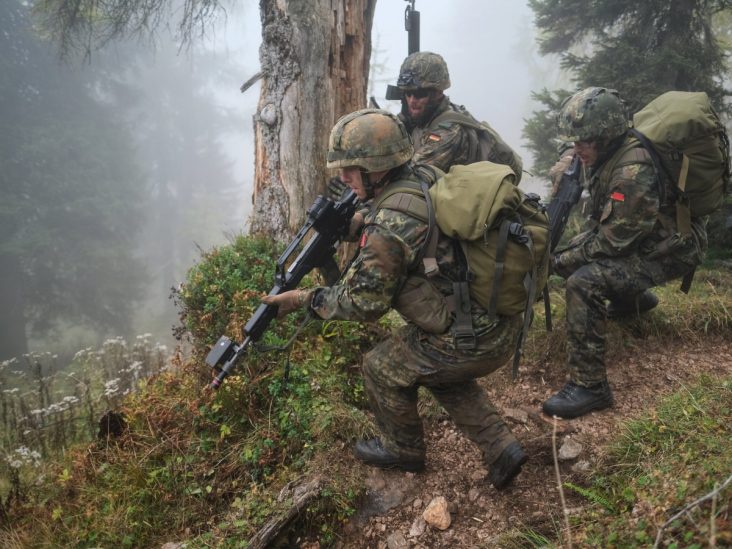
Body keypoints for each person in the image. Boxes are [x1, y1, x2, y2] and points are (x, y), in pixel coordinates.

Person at [263, 109, 528, 489]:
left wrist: (303, 299)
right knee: (435, 368)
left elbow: (364, 303)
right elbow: (407, 223)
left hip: (476, 335)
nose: (343, 178)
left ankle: (402, 450)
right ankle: (501, 448)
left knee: (381, 366)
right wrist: (358, 224)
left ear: (376, 168)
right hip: (494, 319)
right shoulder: (420, 173)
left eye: (351, 169)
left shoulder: (390, 223)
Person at [543, 87, 708, 419]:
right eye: (575, 141)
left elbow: (613, 242)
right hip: (650, 238)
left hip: (675, 249)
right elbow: (614, 232)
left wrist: (558, 262)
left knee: (583, 281)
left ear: (606, 136)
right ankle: (634, 300)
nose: (577, 148)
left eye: (585, 141)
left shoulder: (632, 172)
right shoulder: (607, 152)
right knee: (584, 253)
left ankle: (590, 387)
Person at [390, 51, 523, 178]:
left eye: (420, 94)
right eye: (408, 93)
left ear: (438, 93)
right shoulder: (420, 118)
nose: (412, 101)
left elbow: (413, 177)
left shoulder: (449, 131)